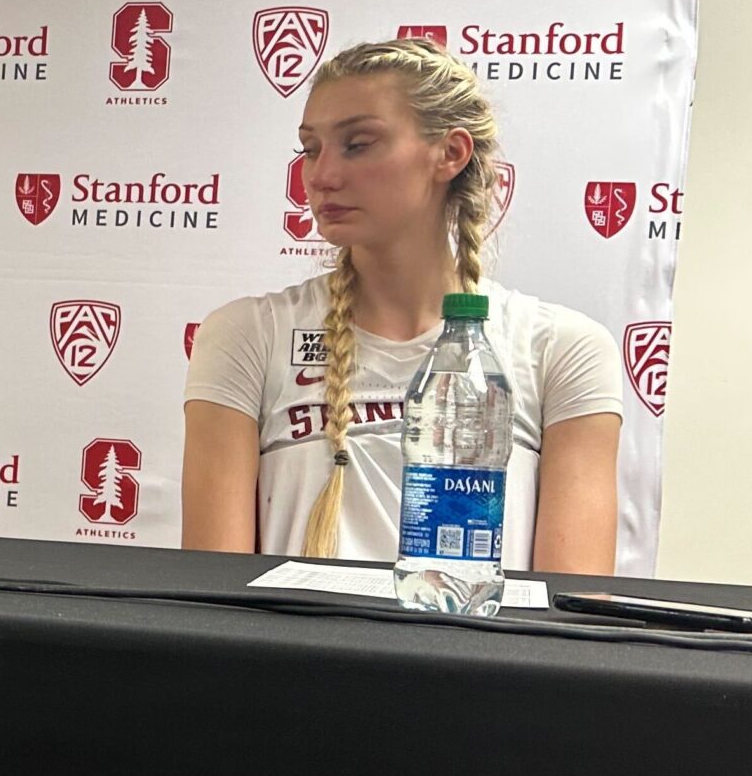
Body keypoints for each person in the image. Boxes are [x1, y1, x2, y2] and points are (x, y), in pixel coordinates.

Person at [180, 38, 622, 569]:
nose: (321, 176)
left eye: (358, 144)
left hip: (483, 651)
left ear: (451, 154)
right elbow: (211, 593)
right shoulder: (248, 334)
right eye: (310, 149)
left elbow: (565, 610)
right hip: (290, 652)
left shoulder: (561, 347)